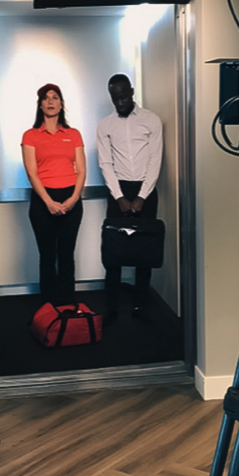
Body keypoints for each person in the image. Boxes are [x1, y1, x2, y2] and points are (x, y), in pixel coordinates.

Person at [96, 74, 163, 324]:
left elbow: (155, 159)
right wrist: (120, 196)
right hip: (118, 190)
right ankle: (111, 307)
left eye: (123, 97)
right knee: (114, 250)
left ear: (132, 92)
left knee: (145, 250)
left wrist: (143, 195)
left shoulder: (151, 120)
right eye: (115, 98)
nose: (120, 102)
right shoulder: (105, 125)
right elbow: (105, 163)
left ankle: (140, 306)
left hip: (146, 188)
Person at [21, 84, 85, 304]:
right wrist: (48, 201)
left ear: (61, 103)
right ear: (40, 104)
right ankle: (48, 310)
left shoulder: (73, 134)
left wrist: (73, 199)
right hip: (42, 200)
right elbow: (32, 173)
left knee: (66, 256)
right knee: (47, 257)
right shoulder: (30, 135)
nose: (50, 101)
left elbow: (81, 170)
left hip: (70, 198)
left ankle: (68, 308)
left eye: (55, 97)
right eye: (46, 98)